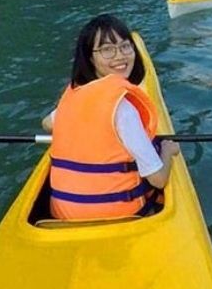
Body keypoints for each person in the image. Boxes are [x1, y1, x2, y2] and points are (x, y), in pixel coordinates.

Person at [41, 14, 181, 220]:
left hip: (63, 215)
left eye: (125, 46)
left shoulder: (74, 95)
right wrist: (168, 151)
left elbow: (46, 124)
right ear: (90, 57)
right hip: (119, 216)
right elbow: (158, 180)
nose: (119, 56)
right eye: (107, 49)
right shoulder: (124, 110)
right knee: (160, 154)